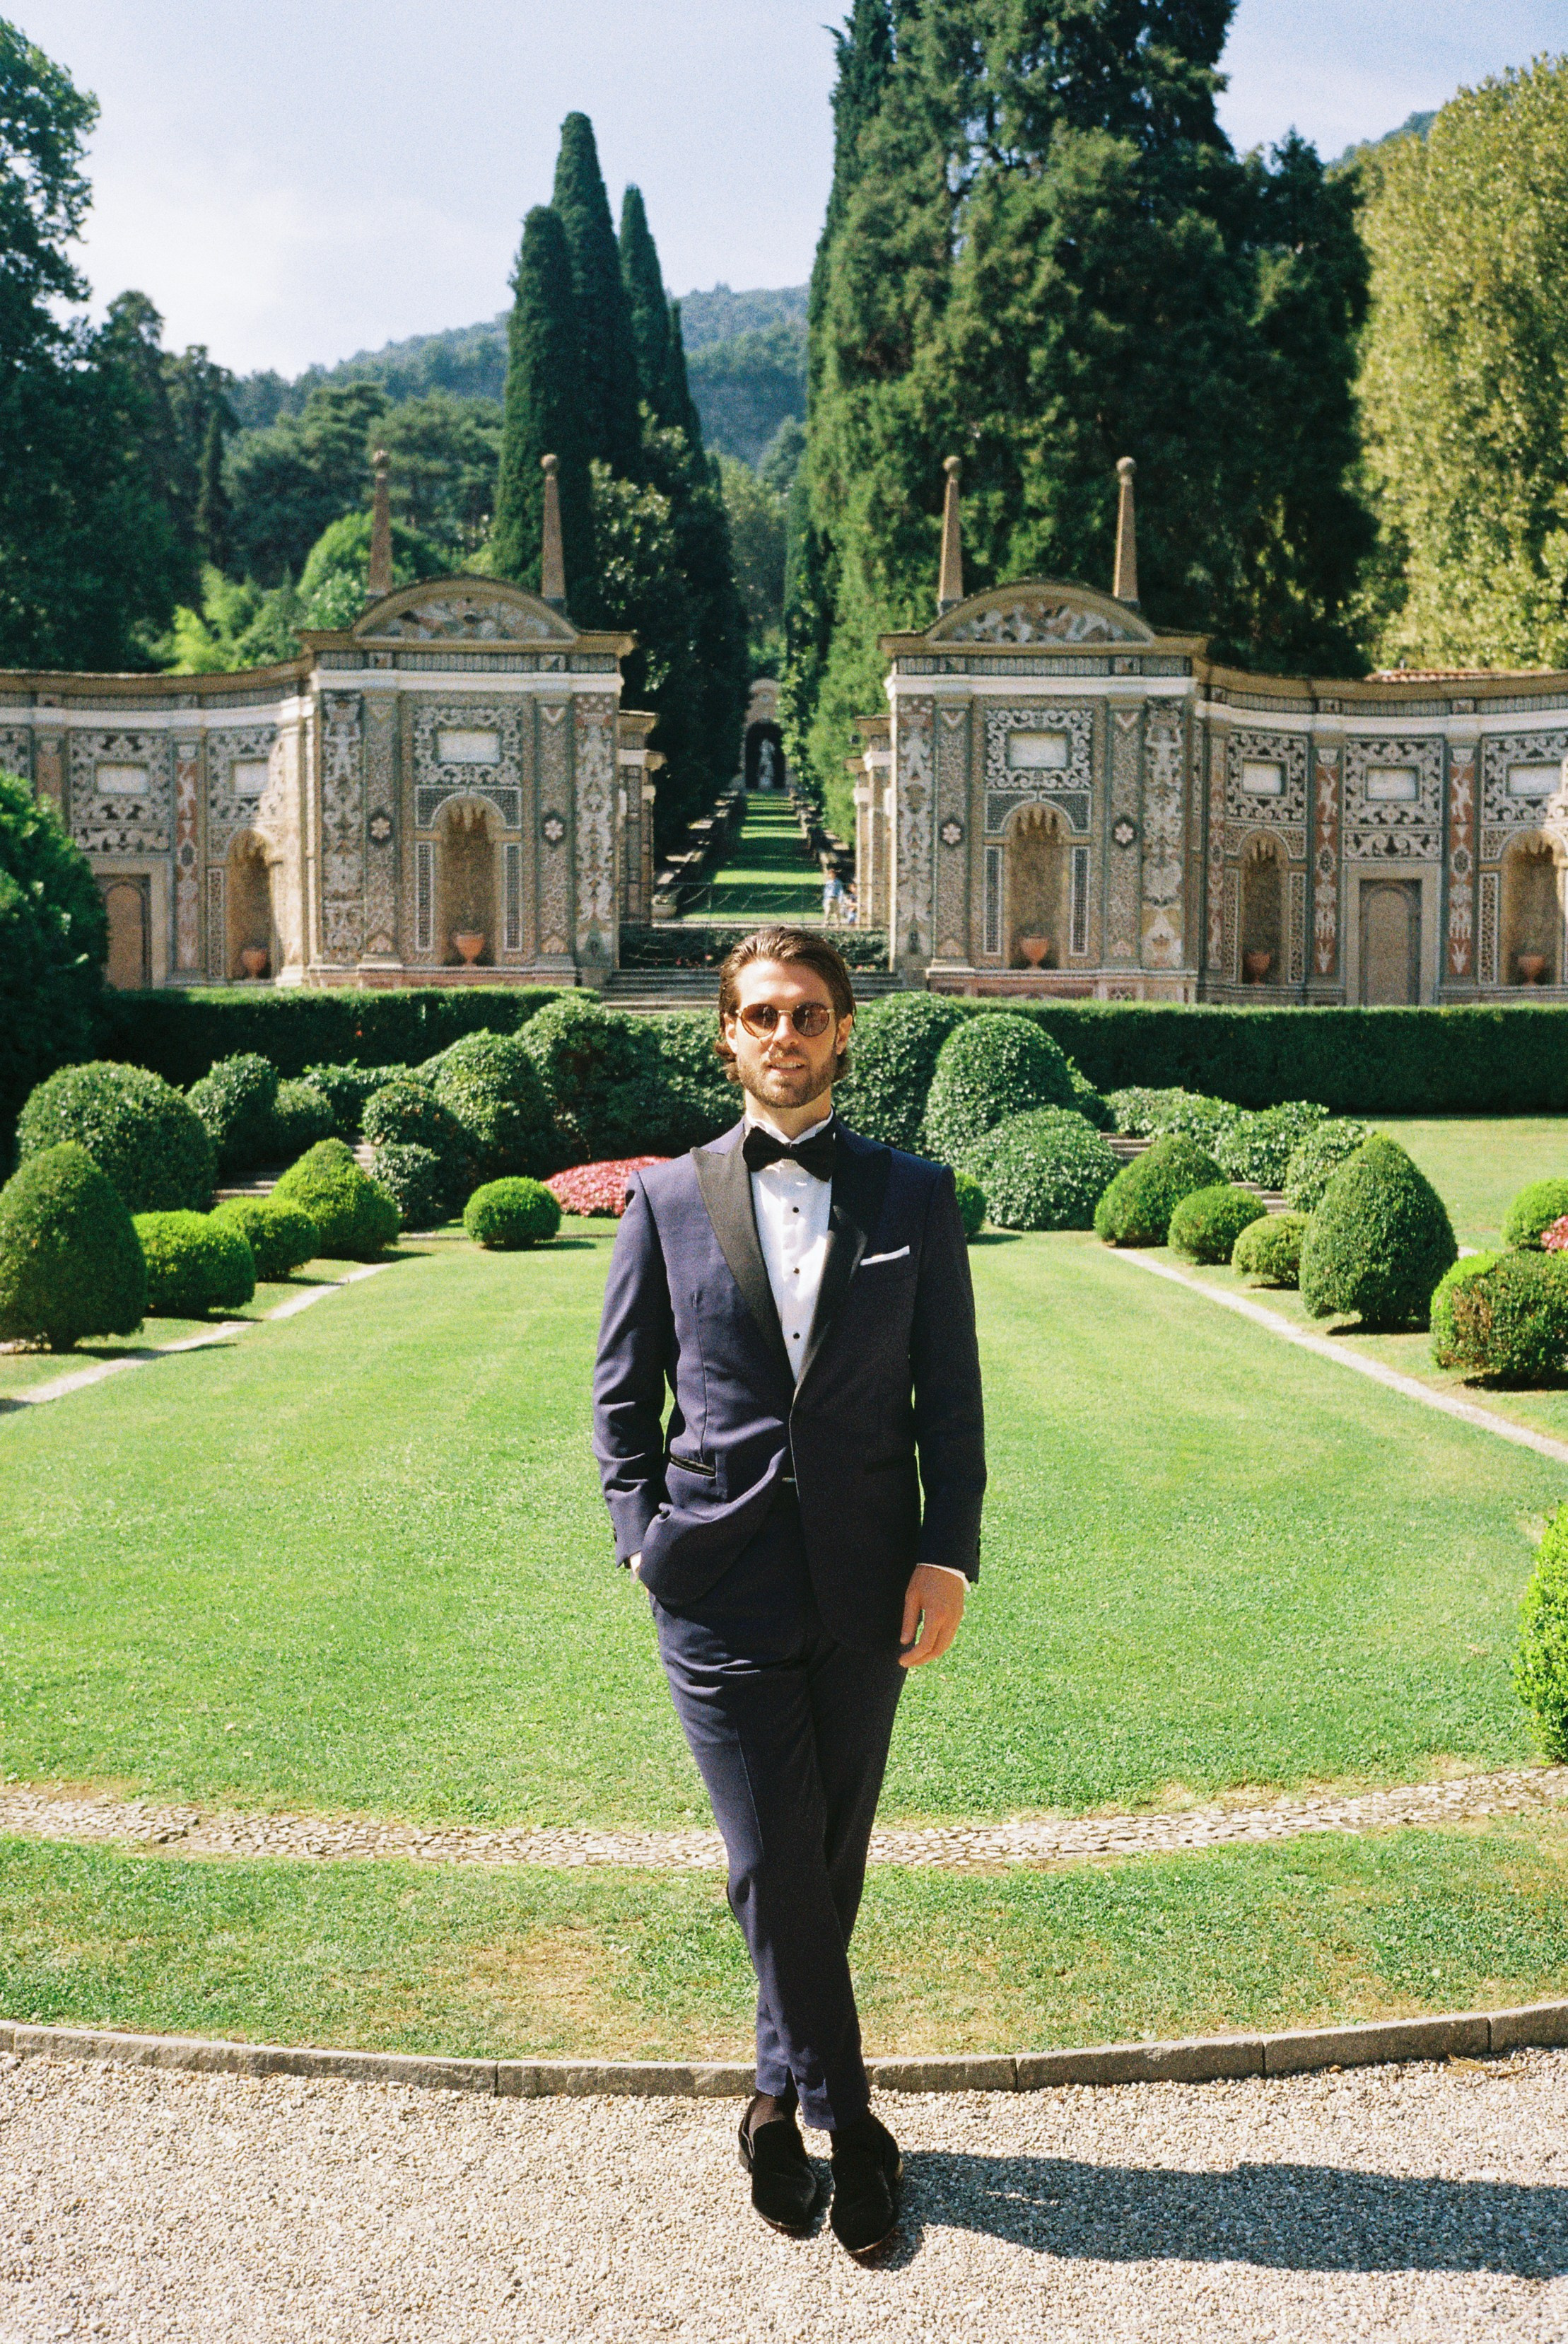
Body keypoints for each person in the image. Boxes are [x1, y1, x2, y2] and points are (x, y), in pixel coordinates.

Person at [592, 926, 985, 2256]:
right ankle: (853, 2121)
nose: (783, 1034)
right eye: (760, 1014)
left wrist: (950, 1551)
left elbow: (953, 1399)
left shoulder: (913, 1197)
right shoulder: (663, 1197)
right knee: (771, 1858)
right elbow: (618, 1396)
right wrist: (642, 1535)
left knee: (823, 1862)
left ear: (841, 1033)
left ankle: (770, 2100)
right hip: (714, 1586)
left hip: (871, 1585)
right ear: (725, 1034)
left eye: (807, 1014)